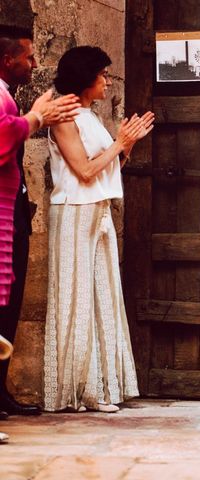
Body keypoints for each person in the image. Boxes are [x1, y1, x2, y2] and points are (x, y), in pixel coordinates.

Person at [43, 46, 154, 412]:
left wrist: (126, 148)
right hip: (74, 210)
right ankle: (75, 388)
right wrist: (120, 144)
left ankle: (100, 386)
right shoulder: (64, 115)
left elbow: (105, 170)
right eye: (103, 75)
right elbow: (84, 171)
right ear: (85, 77)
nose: (108, 81)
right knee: (75, 296)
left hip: (98, 208)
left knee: (102, 294)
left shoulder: (90, 116)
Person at [0, 26, 80, 420]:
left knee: (9, 300)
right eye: (28, 56)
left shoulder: (6, 94)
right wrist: (33, 119)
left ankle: (1, 391)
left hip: (12, 207)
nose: (33, 63)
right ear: (6, 58)